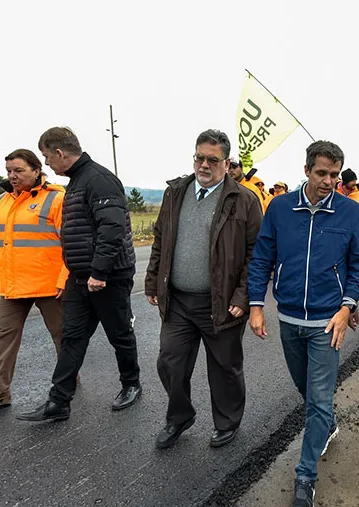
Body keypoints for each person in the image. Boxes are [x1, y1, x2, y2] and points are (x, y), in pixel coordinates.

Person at [248, 140, 359, 507]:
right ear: (306, 171)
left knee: (317, 399)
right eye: (321, 173)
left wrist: (348, 306)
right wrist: (256, 305)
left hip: (327, 323)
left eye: (334, 174)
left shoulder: (349, 212)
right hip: (288, 318)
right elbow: (262, 257)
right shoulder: (281, 208)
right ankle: (326, 423)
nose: (329, 180)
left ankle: (305, 475)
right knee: (308, 392)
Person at [145, 129, 262, 449]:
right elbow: (161, 239)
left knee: (225, 367)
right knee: (169, 361)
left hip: (222, 302)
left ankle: (226, 422)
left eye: (213, 160)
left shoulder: (244, 200)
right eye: (199, 157)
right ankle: (179, 416)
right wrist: (153, 280)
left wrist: (244, 295)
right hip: (179, 301)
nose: (204, 165)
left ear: (227, 163)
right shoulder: (175, 193)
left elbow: (258, 254)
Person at [17, 127, 141, 422]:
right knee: (71, 337)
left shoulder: (98, 179)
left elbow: (111, 229)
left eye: (47, 157)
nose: (47, 163)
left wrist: (99, 272)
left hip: (107, 276)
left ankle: (131, 384)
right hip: (80, 276)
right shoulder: (76, 182)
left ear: (60, 153)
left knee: (119, 334)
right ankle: (58, 401)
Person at [0, 149, 68, 408]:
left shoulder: (56, 199)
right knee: (5, 335)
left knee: (61, 335)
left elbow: (71, 243)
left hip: (49, 284)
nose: (12, 176)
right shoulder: (2, 201)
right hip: (13, 283)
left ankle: (69, 376)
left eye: (19, 170)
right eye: (9, 171)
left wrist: (64, 278)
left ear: (37, 170)